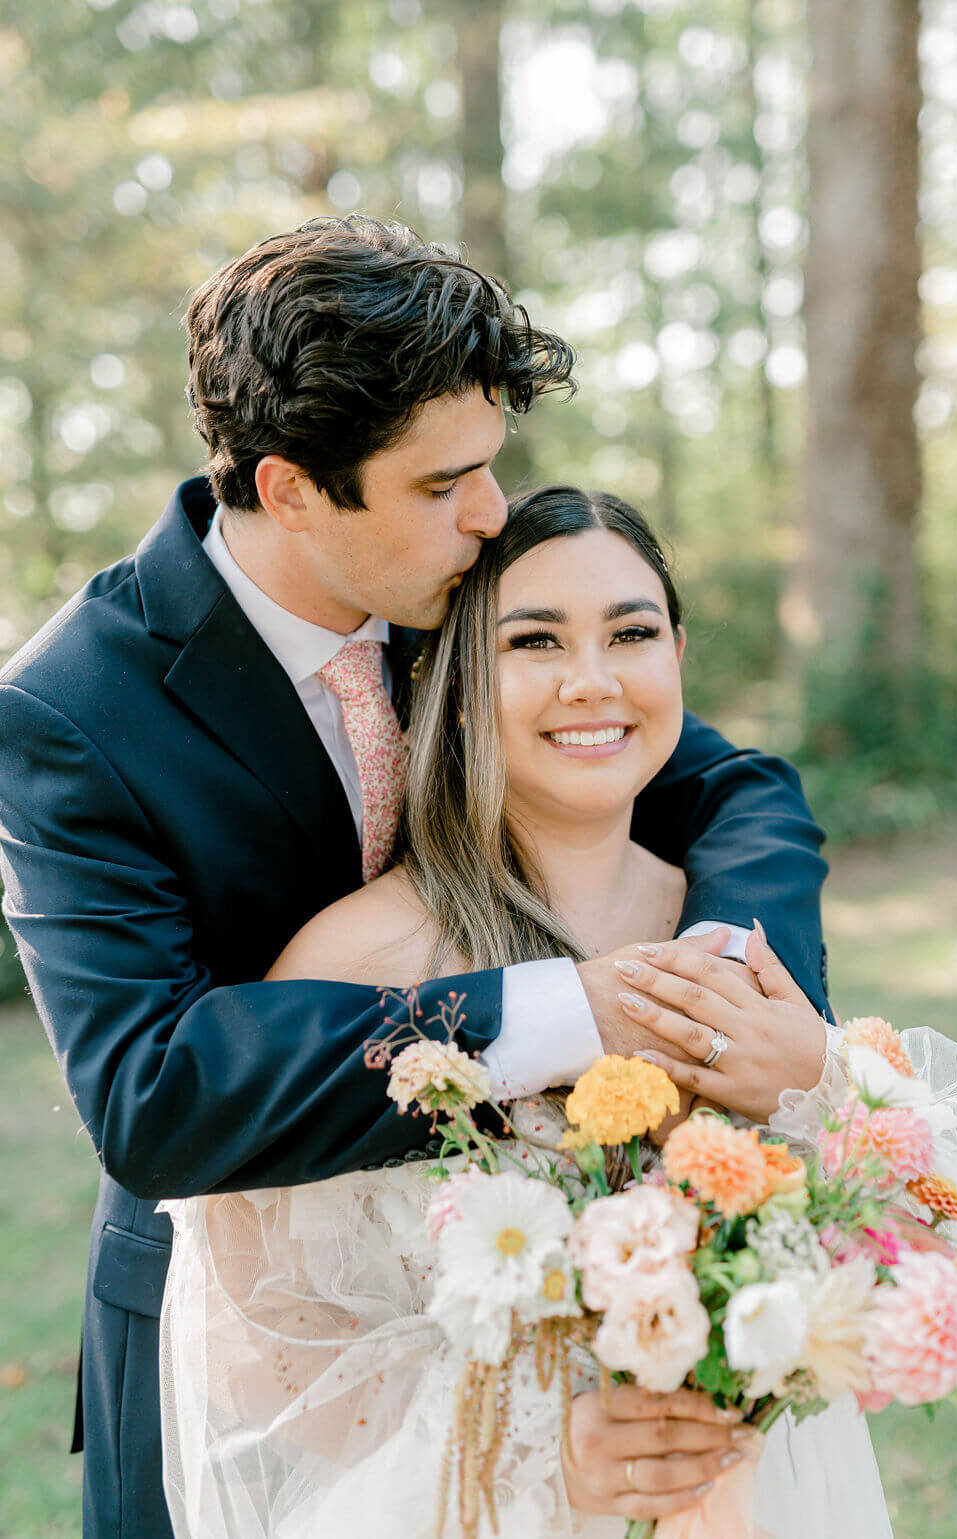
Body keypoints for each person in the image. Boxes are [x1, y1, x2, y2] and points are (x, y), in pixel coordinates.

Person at [0, 217, 830, 1539]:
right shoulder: (69, 709)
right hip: (247, 1336)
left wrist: (730, 986)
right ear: (290, 491)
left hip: (524, 1281)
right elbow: (152, 1089)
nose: (491, 513)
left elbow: (727, 785)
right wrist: (570, 1010)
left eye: (491, 467)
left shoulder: (461, 589)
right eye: (446, 482)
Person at [159, 486, 890, 1538]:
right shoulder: (358, 959)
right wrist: (533, 1450)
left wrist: (816, 1086)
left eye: (630, 633)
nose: (590, 683)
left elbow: (890, 1219)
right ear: (454, 688)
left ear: (677, 654)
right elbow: (248, 1343)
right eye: (534, 641)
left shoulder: (734, 939)